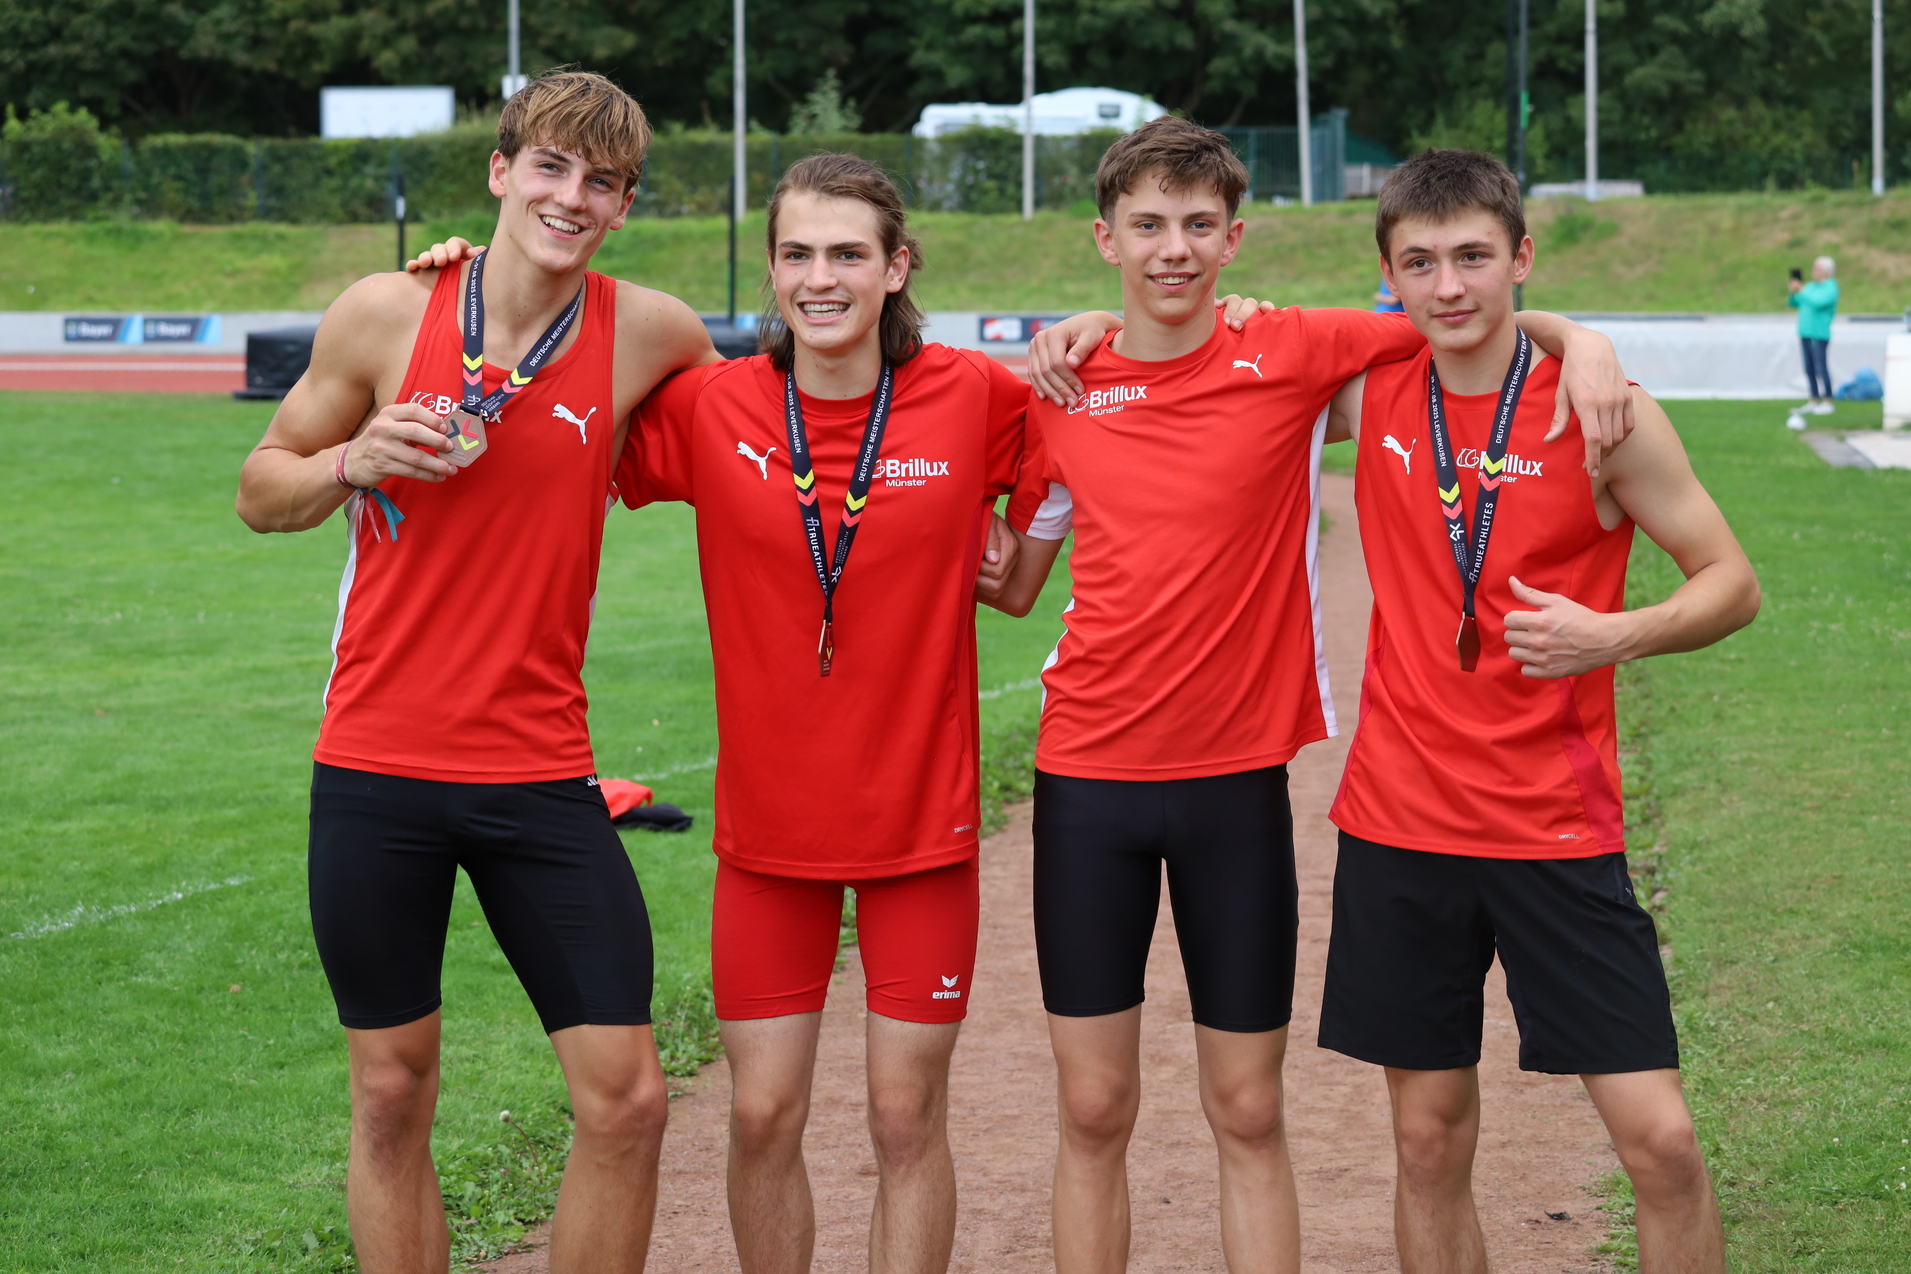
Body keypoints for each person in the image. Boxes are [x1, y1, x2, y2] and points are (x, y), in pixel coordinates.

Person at [983, 116, 1633, 1273]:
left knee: (1248, 1109)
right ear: (1104, 237)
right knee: (1092, 1110)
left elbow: (1458, 312)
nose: (1171, 249)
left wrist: (1575, 337)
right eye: (1147, 226)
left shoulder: (1290, 350)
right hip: (1086, 784)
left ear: (1235, 238)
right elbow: (1015, 576)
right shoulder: (1057, 383)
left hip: (1237, 785)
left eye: (1196, 226)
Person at [234, 71, 723, 1274]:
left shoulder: (654, 331)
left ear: (620, 210)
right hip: (376, 768)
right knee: (392, 1091)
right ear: (501, 173)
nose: (572, 196)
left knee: (629, 1099)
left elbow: (771, 427)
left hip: (539, 771)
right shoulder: (384, 313)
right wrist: (353, 456)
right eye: (550, 167)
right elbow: (260, 486)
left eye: (601, 182)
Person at [1318, 148, 1757, 1274]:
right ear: (1389, 277)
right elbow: (1207, 342)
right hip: (1400, 825)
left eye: (1473, 256)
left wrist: (1616, 634)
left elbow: (1730, 581)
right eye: (1419, 262)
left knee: (1659, 1142)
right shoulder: (1368, 391)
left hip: (1556, 826)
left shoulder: (1603, 411)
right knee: (1426, 1140)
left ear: (1521, 256)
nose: (1448, 285)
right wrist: (1082, 328)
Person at [1788, 255, 1840, 423]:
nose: (1814, 271)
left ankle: (1827, 401)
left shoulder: (1831, 287)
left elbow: (1818, 303)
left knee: (1821, 367)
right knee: (1808, 368)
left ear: (1826, 271)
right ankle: (1813, 399)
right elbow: (1794, 303)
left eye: (1817, 268)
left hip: (1819, 334)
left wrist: (1801, 290)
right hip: (1805, 333)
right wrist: (1793, 291)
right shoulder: (1809, 286)